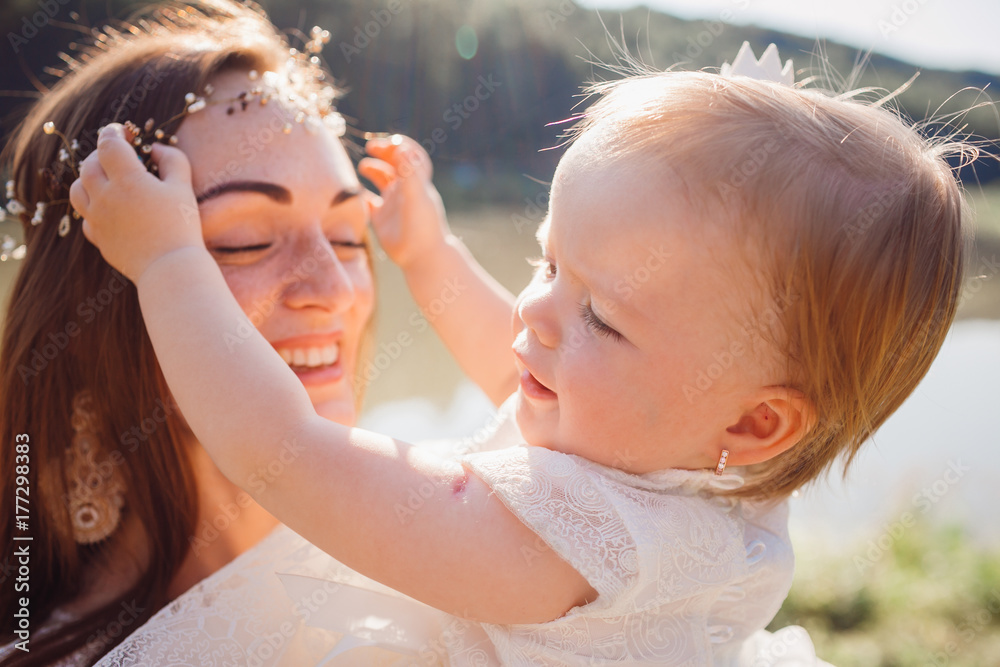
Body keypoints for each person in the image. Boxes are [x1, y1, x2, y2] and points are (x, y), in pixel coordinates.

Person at [73, 42, 968, 664]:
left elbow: (288, 453)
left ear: (757, 420)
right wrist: (431, 257)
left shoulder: (582, 543)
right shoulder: (681, 454)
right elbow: (521, 369)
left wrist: (170, 262)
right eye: (548, 263)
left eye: (602, 316)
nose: (535, 309)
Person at [0, 1, 399, 664]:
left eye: (347, 236)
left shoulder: (441, 559)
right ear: (96, 307)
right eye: (246, 241)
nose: (333, 289)